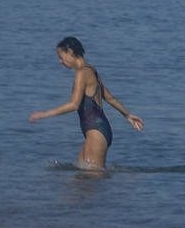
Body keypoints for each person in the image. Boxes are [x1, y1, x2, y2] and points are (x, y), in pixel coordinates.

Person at [29, 36, 144, 170]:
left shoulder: (82, 73)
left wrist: (44, 114)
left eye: (61, 57)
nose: (60, 61)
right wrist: (127, 115)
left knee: (92, 180)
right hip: (97, 130)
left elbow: (74, 104)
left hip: (96, 132)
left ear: (70, 52)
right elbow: (110, 98)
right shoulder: (91, 70)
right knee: (80, 179)